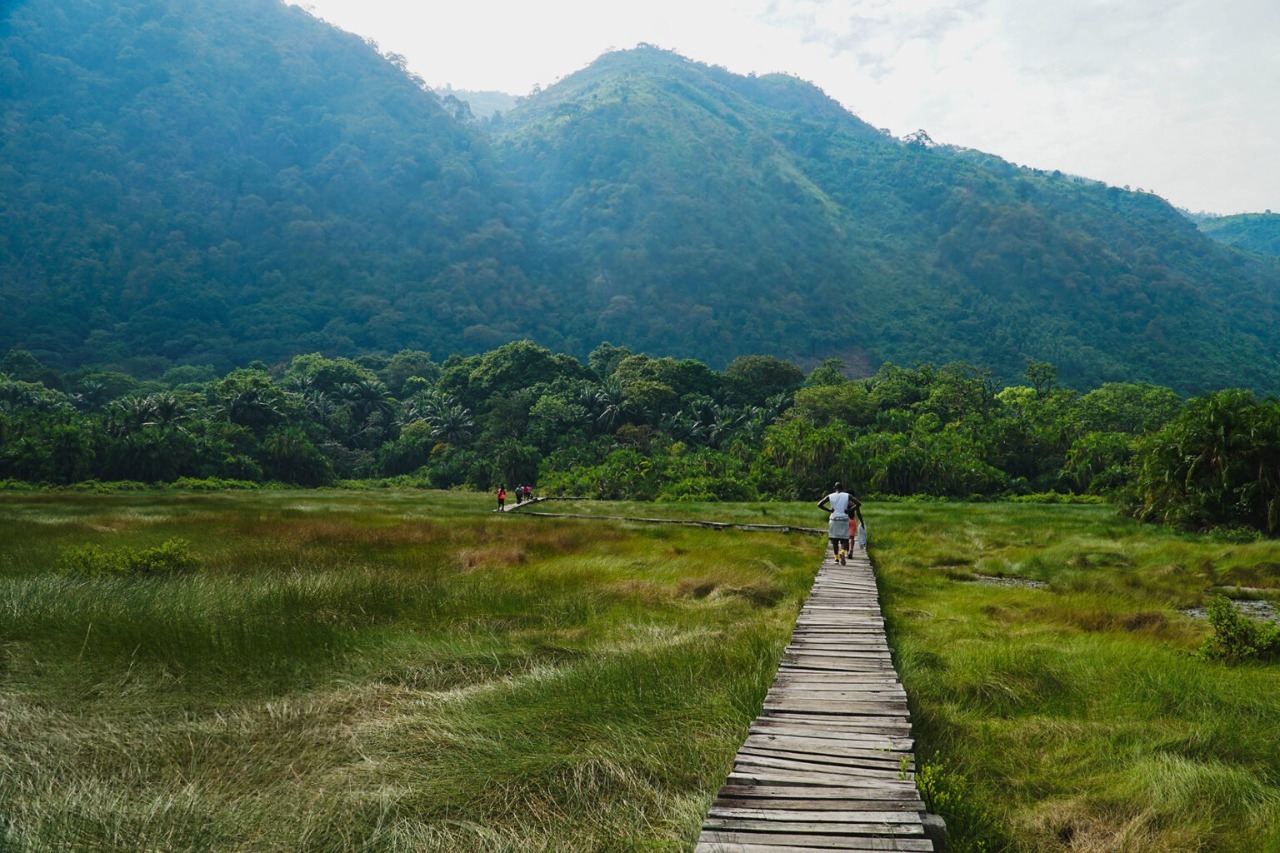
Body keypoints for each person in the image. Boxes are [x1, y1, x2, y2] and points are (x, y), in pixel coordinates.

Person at [817, 482, 862, 565]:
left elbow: (819, 504)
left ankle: (836, 559)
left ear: (834, 488)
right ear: (842, 488)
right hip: (844, 519)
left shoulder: (830, 496)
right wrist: (849, 510)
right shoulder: (847, 495)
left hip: (833, 519)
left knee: (834, 540)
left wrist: (829, 510)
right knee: (845, 540)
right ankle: (843, 552)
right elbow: (858, 503)